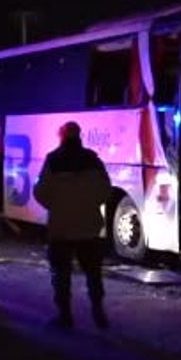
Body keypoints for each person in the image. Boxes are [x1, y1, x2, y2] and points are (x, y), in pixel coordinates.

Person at [33, 121, 111, 329]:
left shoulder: (53, 160)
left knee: (61, 273)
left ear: (62, 136)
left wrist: (56, 206)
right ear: (79, 136)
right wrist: (90, 204)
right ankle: (98, 312)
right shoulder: (93, 160)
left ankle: (65, 316)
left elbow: (40, 192)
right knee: (93, 272)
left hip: (61, 227)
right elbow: (106, 190)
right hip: (88, 227)